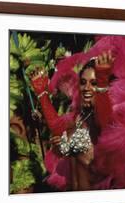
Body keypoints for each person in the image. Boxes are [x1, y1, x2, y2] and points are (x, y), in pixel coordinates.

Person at [30, 51, 115, 191]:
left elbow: (103, 122)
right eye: (83, 82)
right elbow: (57, 127)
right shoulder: (80, 116)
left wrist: (102, 82)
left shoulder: (107, 116)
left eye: (93, 83)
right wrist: (42, 94)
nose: (87, 88)